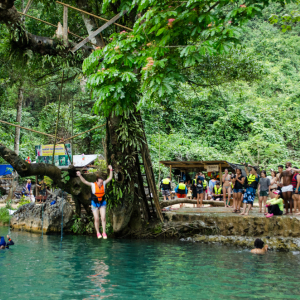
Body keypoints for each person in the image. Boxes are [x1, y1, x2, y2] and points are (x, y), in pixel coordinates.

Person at [76, 165, 113, 239]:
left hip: (102, 203)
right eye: (100, 183)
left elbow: (110, 178)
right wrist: (80, 175)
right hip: (94, 203)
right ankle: (98, 232)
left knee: (103, 217)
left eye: (102, 183)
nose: (101, 184)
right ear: (96, 182)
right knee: (96, 218)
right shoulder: (93, 185)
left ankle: (104, 232)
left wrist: (111, 170)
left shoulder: (104, 184)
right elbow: (84, 181)